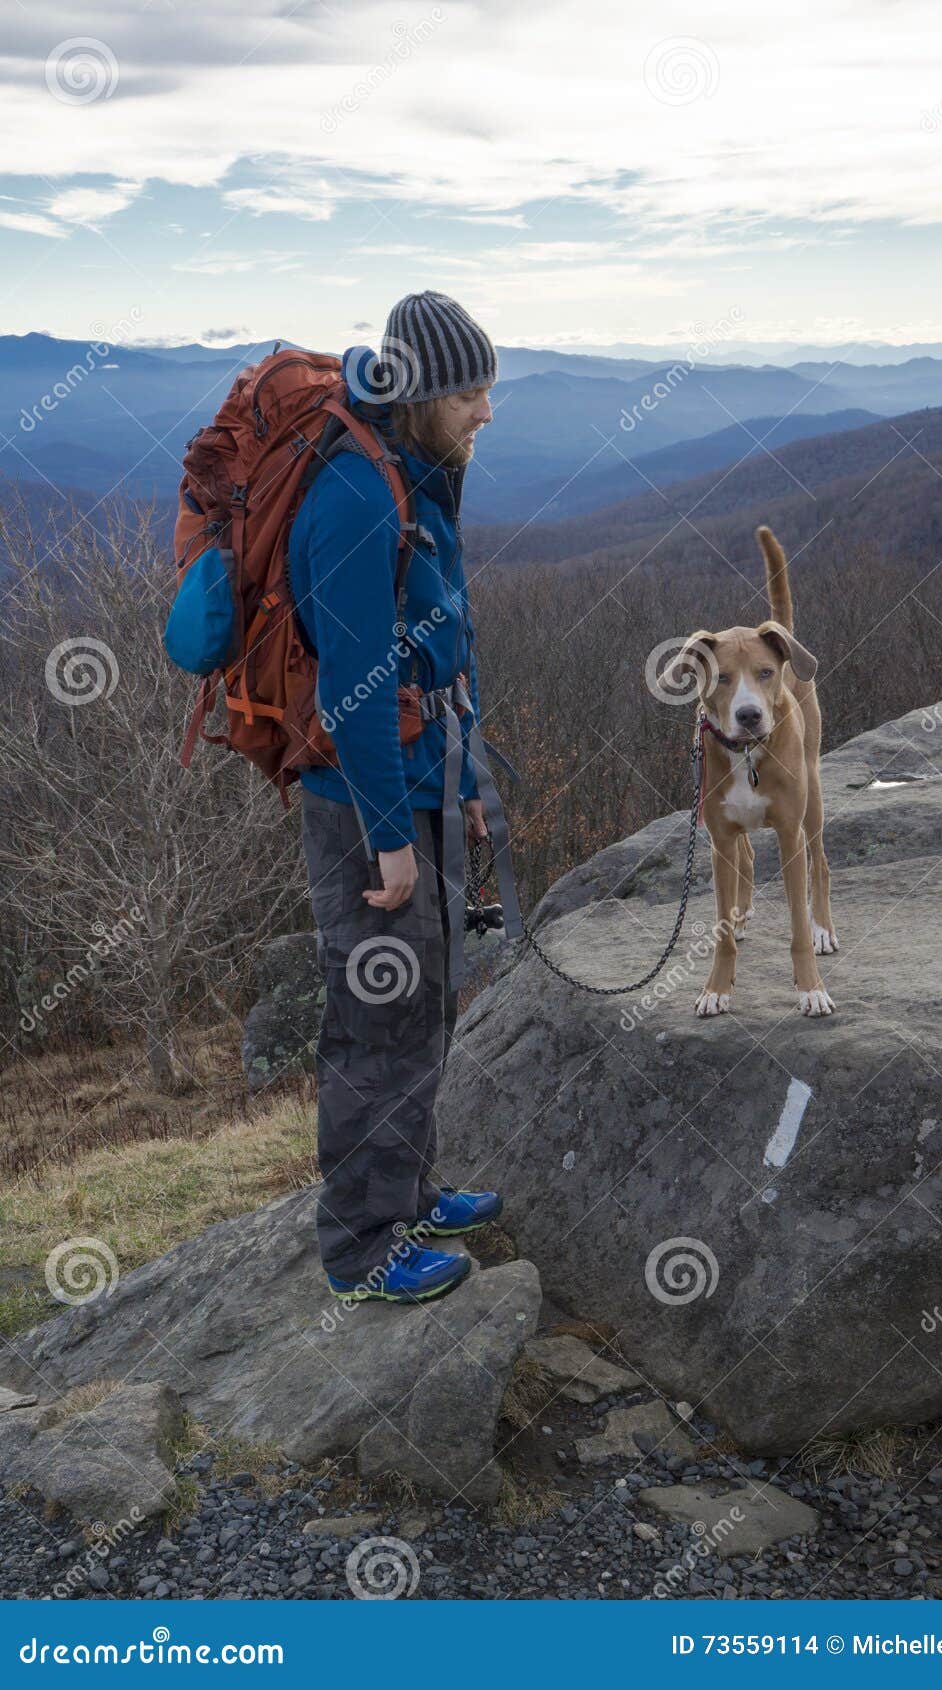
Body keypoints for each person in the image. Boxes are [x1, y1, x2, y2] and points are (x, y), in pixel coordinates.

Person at [289, 291, 506, 1305]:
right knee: (378, 1012)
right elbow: (353, 688)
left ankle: (411, 1194)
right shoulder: (355, 491)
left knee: (425, 999)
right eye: (472, 393)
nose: (488, 414)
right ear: (424, 393)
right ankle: (362, 1250)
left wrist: (465, 788)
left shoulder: (422, 470)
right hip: (360, 798)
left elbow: (441, 640)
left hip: (427, 772)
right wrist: (388, 842)